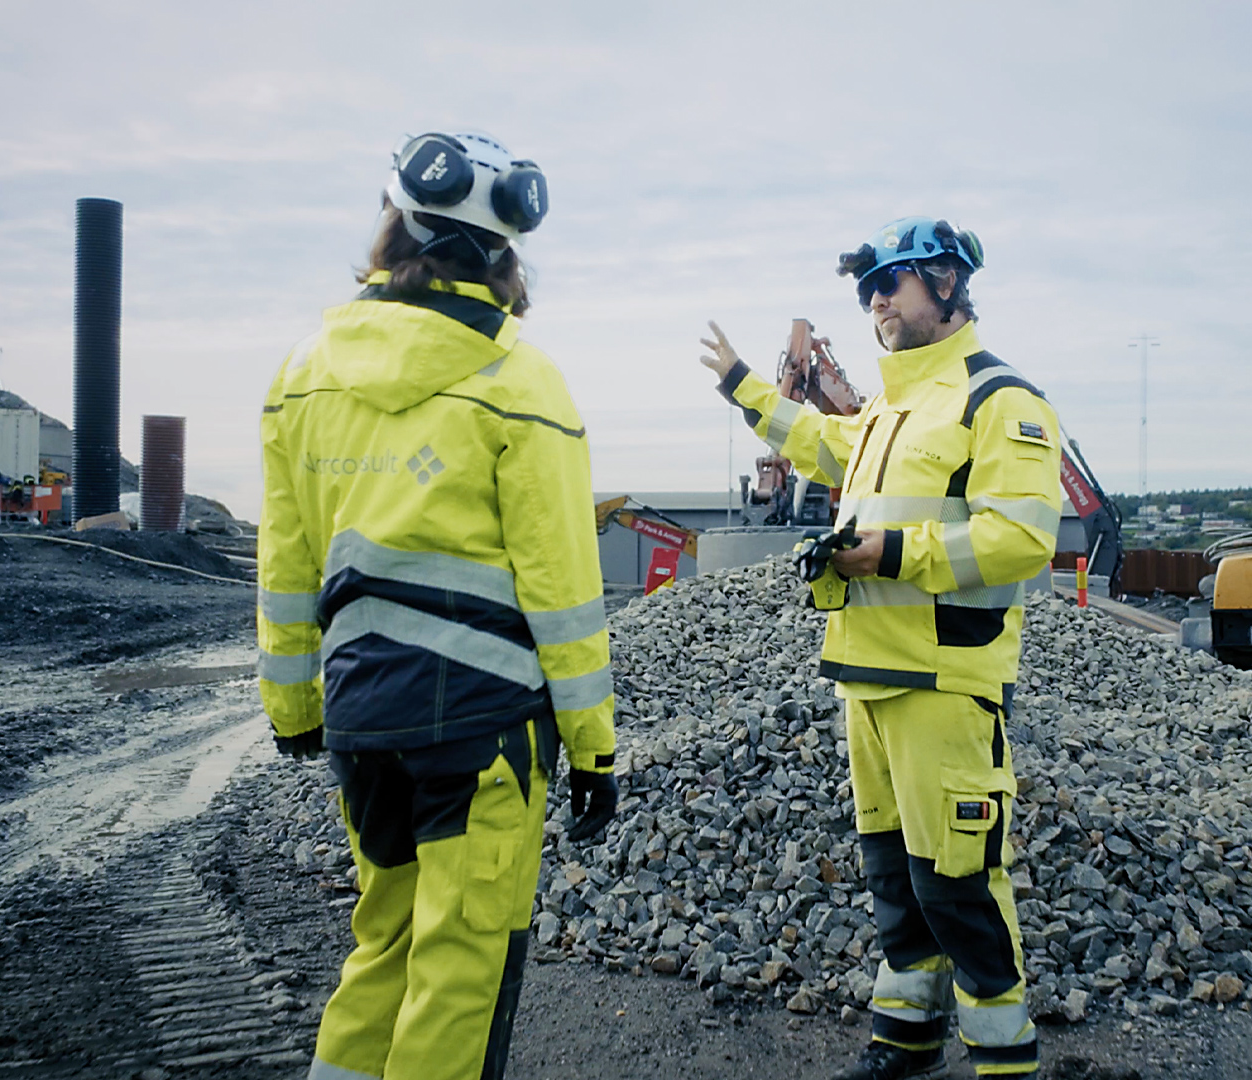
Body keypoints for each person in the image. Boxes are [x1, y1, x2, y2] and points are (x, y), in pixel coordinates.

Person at [256, 130, 620, 1080]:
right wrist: (595, 750)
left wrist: (294, 711)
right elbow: (564, 594)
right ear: (505, 253)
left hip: (361, 715)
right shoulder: (520, 380)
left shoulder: (303, 372)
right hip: (482, 732)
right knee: (461, 960)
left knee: (382, 941)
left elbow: (287, 563)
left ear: (393, 226)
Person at [699, 217, 1061, 1079]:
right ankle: (903, 1048)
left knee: (960, 887)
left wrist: (890, 555)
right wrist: (745, 385)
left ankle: (1006, 1064)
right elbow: (821, 444)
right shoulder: (889, 410)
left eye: (888, 284)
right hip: (866, 679)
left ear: (943, 283)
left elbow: (1022, 537)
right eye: (866, 290)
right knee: (896, 883)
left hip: (944, 679)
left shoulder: (998, 399)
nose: (872, 302)